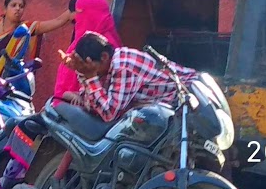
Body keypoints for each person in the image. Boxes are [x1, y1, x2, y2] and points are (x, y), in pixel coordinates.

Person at [62, 32, 198, 122]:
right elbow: (93, 104)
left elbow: (108, 114)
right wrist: (82, 73)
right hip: (165, 107)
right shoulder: (107, 65)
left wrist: (90, 77)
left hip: (189, 98)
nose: (91, 71)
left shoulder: (123, 67)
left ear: (104, 57)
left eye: (90, 68)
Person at [0, 0, 74, 79]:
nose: (18, 8)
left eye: (21, 6)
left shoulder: (25, 28)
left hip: (10, 80)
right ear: (5, 9)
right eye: (13, 5)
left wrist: (76, 4)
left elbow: (58, 21)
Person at [52, 0, 121, 103]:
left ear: (94, 14)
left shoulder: (105, 46)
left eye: (81, 13)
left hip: (92, 106)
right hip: (68, 101)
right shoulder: (82, 39)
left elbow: (103, 89)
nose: (77, 18)